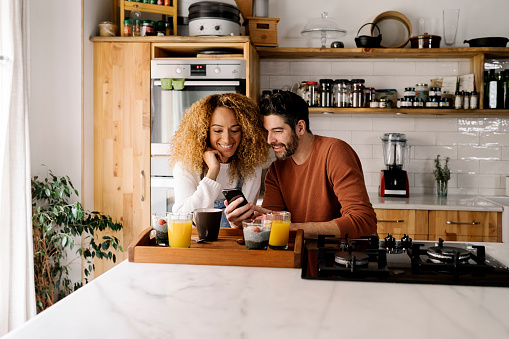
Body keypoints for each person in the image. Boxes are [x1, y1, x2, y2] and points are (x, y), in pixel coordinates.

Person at [225, 91, 377, 239]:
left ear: (300, 128)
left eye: (277, 131)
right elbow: (269, 230)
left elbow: (363, 222)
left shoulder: (334, 152)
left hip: (335, 262)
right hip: (295, 262)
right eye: (267, 132)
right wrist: (240, 224)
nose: (269, 140)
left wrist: (288, 228)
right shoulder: (276, 170)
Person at [170, 93, 269, 228]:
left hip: (233, 244)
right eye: (218, 130)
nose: (227, 139)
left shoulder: (251, 166)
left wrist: (239, 221)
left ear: (245, 132)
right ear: (204, 132)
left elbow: (244, 222)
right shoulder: (186, 165)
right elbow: (183, 219)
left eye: (235, 130)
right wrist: (213, 172)